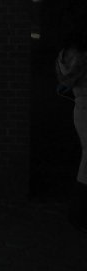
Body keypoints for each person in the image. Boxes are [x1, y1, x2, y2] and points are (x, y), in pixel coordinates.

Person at [55, 27, 87, 231]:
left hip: (80, 107)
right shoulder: (84, 57)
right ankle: (79, 212)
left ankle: (78, 212)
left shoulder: (63, 58)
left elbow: (65, 81)